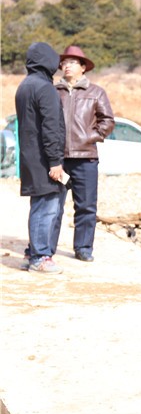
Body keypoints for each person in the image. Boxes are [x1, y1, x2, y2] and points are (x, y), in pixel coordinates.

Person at [55, 45, 115, 262]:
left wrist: (91, 137)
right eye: (64, 62)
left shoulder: (96, 92)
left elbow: (108, 120)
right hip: (57, 159)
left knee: (86, 206)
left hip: (86, 158)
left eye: (72, 62)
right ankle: (47, 248)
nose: (67, 66)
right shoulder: (54, 91)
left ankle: (83, 248)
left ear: (83, 67)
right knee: (53, 206)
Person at [15, 42, 66, 274]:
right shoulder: (45, 88)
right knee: (47, 206)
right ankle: (40, 257)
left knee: (39, 205)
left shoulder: (25, 85)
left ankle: (32, 253)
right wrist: (55, 161)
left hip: (30, 156)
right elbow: (51, 127)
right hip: (44, 158)